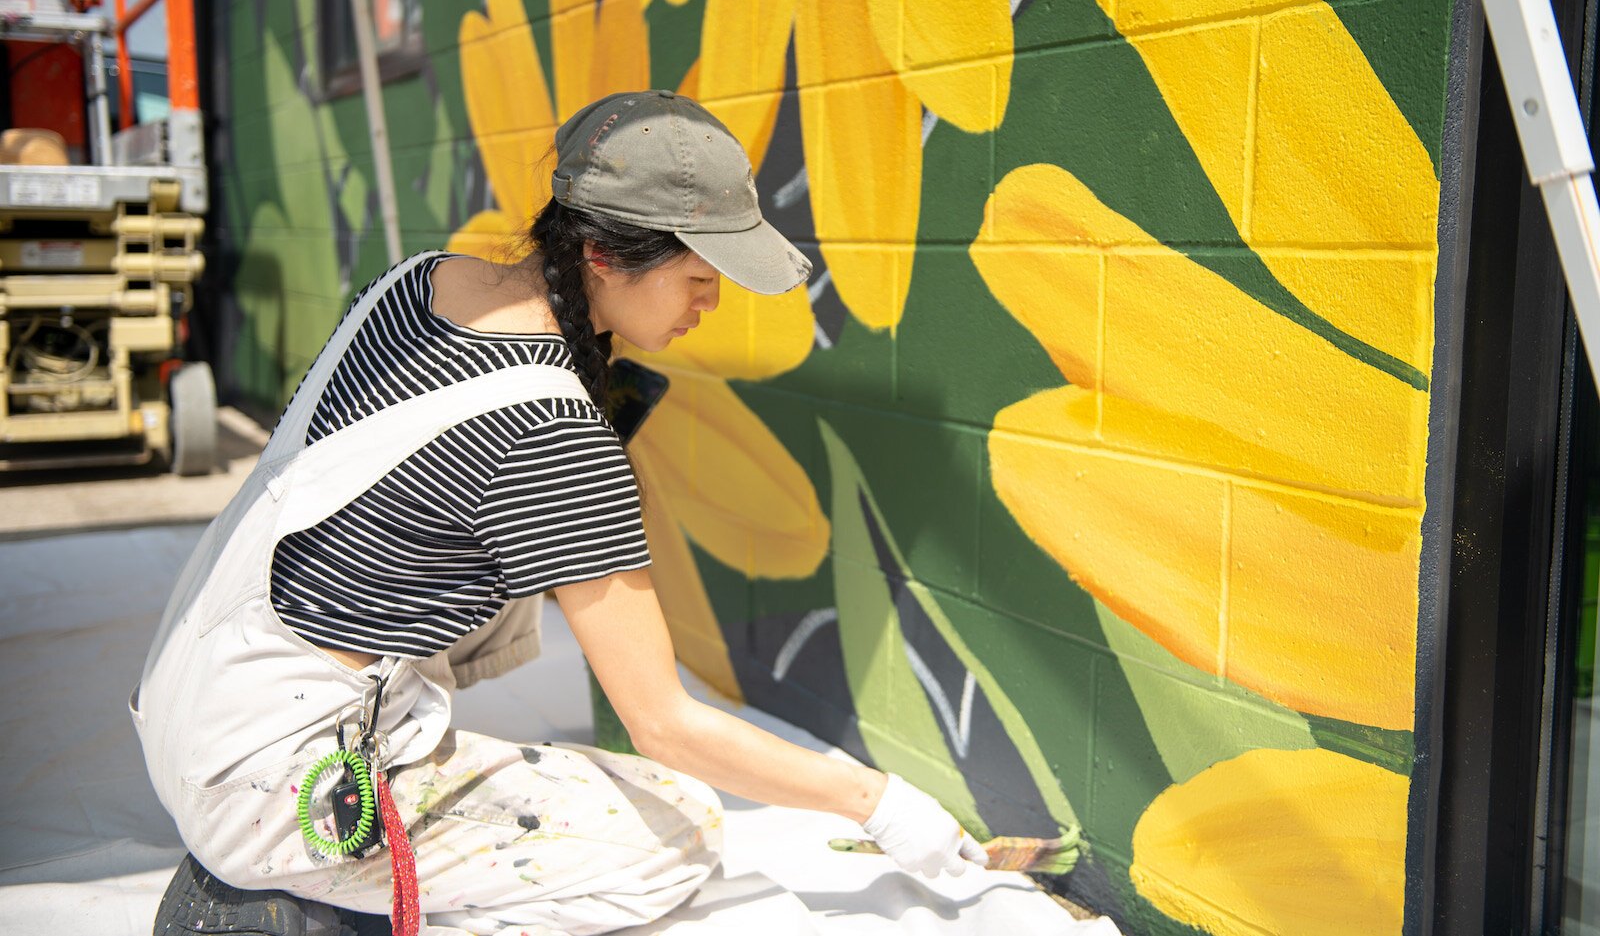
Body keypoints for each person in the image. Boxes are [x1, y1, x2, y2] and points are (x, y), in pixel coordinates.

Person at [138, 90, 988, 936]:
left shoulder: (423, 280)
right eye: (699, 275)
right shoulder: (551, 432)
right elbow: (665, 722)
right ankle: (289, 899)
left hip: (195, 699)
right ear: (605, 257)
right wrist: (877, 802)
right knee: (681, 831)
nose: (713, 302)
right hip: (279, 786)